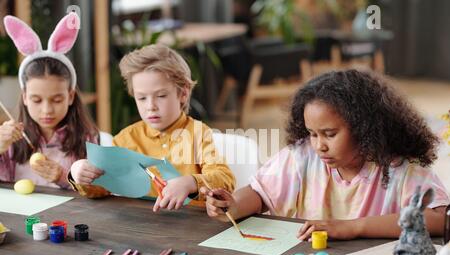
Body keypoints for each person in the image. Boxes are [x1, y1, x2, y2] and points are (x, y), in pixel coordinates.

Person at [202, 69, 450, 240]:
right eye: (312, 133)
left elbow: (439, 219)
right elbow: (259, 193)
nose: (319, 145)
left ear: (364, 128)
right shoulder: (302, 157)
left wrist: (354, 227)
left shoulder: (399, 169)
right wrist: (231, 205)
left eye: (330, 134)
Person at [70, 44, 235, 211]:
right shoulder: (126, 139)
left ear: (183, 94)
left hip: (190, 227)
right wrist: (78, 174)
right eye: (141, 98)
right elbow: (101, 188)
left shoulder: (198, 134)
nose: (151, 106)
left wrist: (190, 183)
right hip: (140, 226)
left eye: (161, 96)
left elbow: (225, 180)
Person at [0, 13, 98, 189]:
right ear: (25, 98)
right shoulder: (12, 141)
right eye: (36, 100)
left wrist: (64, 177)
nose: (47, 110)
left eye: (57, 99)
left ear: (70, 96)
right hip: (24, 217)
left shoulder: (89, 139)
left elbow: (100, 191)